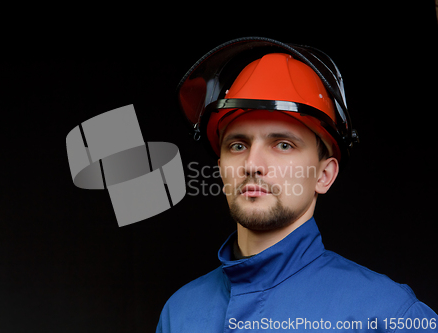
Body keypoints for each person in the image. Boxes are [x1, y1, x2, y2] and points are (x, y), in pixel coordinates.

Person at [156, 37, 437, 332]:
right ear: (221, 169)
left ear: (324, 175)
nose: (252, 164)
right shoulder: (180, 313)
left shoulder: (387, 314)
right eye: (238, 145)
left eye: (283, 145)